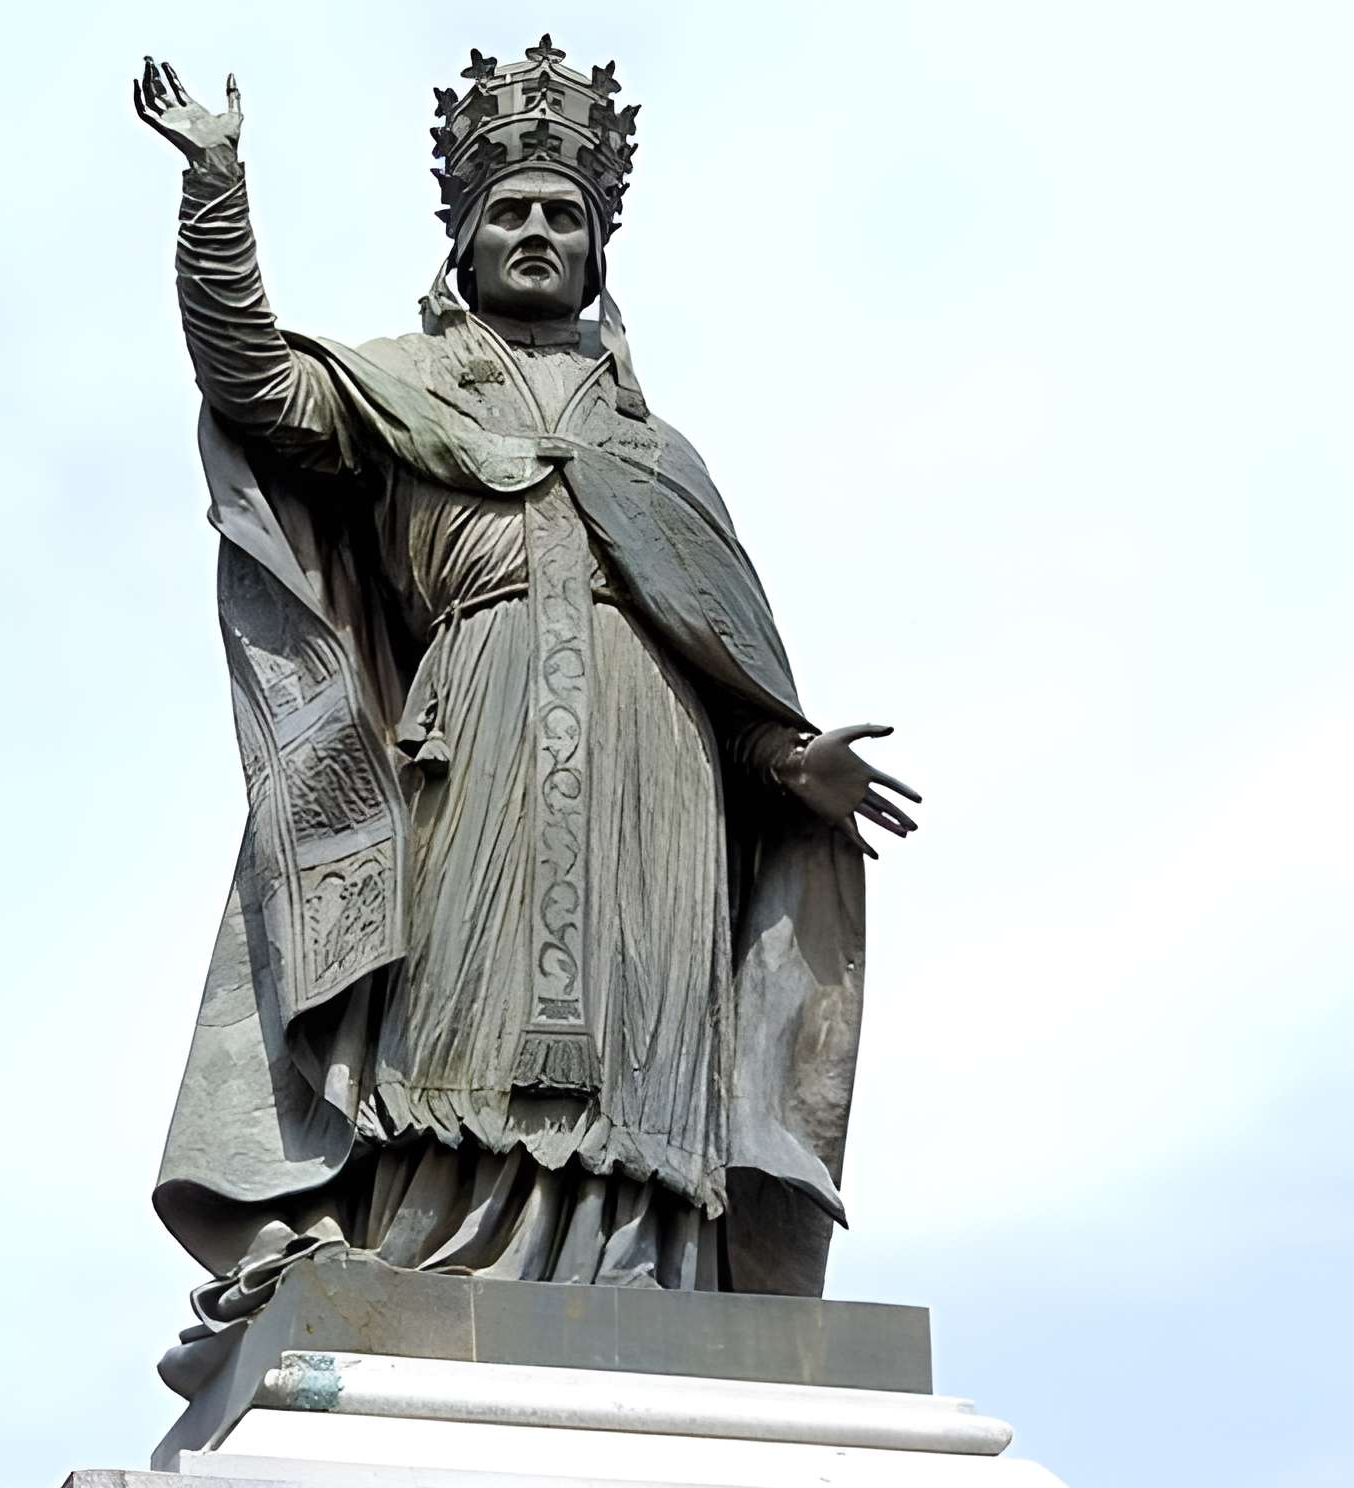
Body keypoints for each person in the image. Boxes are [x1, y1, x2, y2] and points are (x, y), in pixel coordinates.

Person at [135, 42, 920, 1325]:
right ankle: (426, 1257)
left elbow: (720, 661)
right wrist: (215, 191)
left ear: (598, 245)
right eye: (510, 211)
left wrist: (790, 766)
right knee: (455, 1014)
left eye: (565, 213)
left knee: (641, 1036)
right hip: (473, 735)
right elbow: (255, 383)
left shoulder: (659, 449)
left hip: (654, 768)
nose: (537, 230)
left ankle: (641, 1280)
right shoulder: (402, 383)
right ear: (464, 236)